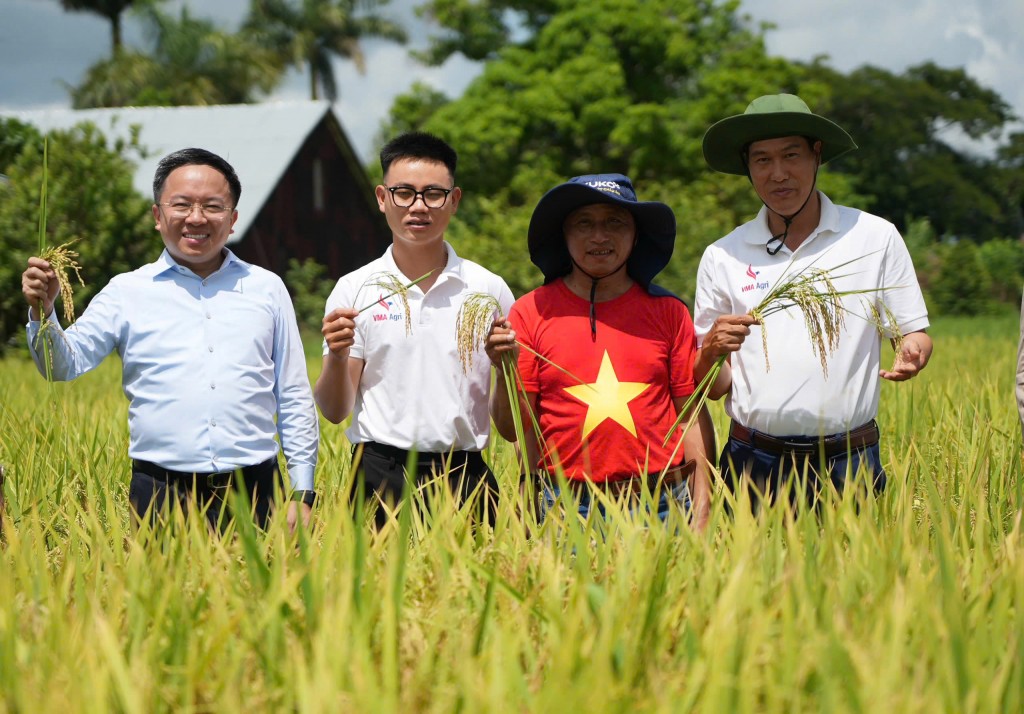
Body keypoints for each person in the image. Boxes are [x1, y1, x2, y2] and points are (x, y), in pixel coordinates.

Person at [21, 148, 318, 532]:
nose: (196, 218)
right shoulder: (126, 291)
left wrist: (303, 493)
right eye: (182, 205)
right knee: (161, 593)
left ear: (233, 220)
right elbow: (61, 365)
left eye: (212, 206)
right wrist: (43, 313)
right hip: (160, 494)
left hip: (258, 490)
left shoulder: (266, 288)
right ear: (157, 216)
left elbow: (292, 393)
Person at [694, 93, 933, 511]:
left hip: (849, 462)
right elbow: (713, 388)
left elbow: (913, 331)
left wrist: (914, 351)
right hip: (754, 462)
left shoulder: (874, 237)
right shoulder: (724, 254)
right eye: (762, 160)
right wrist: (711, 351)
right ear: (748, 167)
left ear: (817, 155)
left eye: (791, 155)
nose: (779, 174)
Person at [489, 174, 712, 529]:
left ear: (636, 235)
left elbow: (690, 415)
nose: (599, 236)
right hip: (564, 507)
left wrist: (703, 507)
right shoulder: (531, 312)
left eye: (615, 222)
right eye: (584, 223)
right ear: (564, 234)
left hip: (662, 502)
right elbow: (514, 429)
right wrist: (504, 371)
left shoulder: (669, 311)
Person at [315, 131, 514, 527]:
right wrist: (337, 356)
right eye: (404, 192)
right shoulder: (355, 288)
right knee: (372, 588)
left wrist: (508, 369)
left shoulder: (488, 290)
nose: (418, 206)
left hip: (465, 476)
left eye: (433, 194)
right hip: (377, 474)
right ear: (382, 198)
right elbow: (335, 410)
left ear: (454, 200)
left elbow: (509, 429)